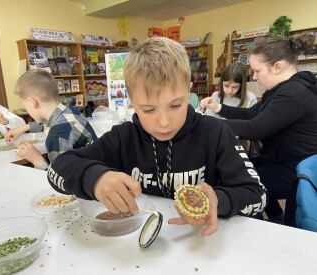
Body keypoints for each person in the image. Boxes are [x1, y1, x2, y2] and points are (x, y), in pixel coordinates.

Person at [47, 37, 266, 237]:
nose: (164, 122)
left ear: (189, 92)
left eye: (176, 105)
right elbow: (58, 167)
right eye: (148, 110)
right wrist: (94, 178)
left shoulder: (216, 133)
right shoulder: (123, 137)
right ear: (131, 101)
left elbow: (258, 195)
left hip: (204, 243)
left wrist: (219, 200)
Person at [200, 34, 317, 225]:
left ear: (277, 67)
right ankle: (272, 216)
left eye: (257, 71)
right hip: (284, 161)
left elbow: (255, 129)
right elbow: (250, 114)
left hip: (297, 170)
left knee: (244, 182)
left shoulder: (294, 93)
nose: (253, 77)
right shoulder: (280, 89)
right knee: (242, 167)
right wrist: (217, 108)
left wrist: (205, 124)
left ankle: (255, 225)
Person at [5, 69, 97, 170]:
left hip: (86, 179)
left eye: (24, 104)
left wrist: (36, 159)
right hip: (100, 167)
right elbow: (48, 123)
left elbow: (59, 178)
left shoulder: (57, 136)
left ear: (32, 102)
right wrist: (24, 128)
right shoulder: (70, 111)